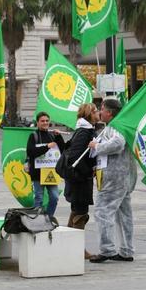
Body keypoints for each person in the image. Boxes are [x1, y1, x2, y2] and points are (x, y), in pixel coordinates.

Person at [88, 99, 137, 263]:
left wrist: (96, 146)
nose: (100, 113)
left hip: (113, 177)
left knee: (103, 212)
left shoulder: (115, 126)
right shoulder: (119, 125)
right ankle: (126, 250)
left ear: (108, 111)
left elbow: (117, 144)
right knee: (124, 215)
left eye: (101, 109)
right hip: (122, 177)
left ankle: (107, 249)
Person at [64, 103, 100, 259]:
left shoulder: (85, 130)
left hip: (78, 179)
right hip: (79, 180)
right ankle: (78, 249)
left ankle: (66, 245)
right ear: (89, 114)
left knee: (76, 211)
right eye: (95, 110)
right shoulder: (84, 132)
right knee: (81, 213)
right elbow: (74, 156)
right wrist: (88, 172)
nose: (98, 112)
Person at [26, 112, 65, 219]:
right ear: (37, 122)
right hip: (37, 172)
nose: (45, 123)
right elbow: (31, 152)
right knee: (39, 198)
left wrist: (59, 136)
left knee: (54, 197)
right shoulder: (33, 136)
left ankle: (48, 218)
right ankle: (36, 220)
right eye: (42, 121)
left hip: (51, 172)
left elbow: (63, 149)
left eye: (47, 121)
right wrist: (47, 146)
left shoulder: (52, 135)